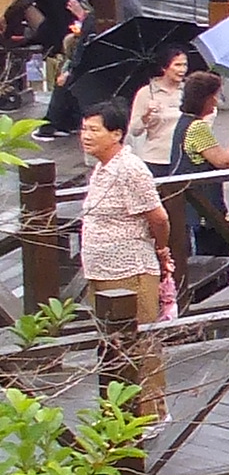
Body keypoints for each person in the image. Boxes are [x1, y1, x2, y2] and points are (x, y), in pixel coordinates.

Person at [78, 97, 169, 421]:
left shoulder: (131, 168)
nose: (86, 135)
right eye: (84, 129)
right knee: (112, 345)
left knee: (140, 343)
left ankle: (151, 412)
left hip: (130, 269)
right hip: (101, 270)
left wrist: (161, 251)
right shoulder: (102, 168)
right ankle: (119, 413)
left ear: (116, 134)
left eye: (94, 130)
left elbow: (158, 217)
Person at [175, 70, 229, 256]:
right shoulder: (198, 127)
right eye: (214, 96)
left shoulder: (184, 121)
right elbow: (223, 161)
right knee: (212, 254)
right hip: (202, 207)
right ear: (205, 98)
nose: (216, 101)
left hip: (189, 203)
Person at [128, 47, 191, 174]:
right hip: (156, 159)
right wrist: (147, 114)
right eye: (177, 65)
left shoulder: (189, 90)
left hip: (184, 157)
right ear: (164, 68)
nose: (182, 69)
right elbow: (134, 130)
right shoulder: (146, 93)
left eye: (185, 65)